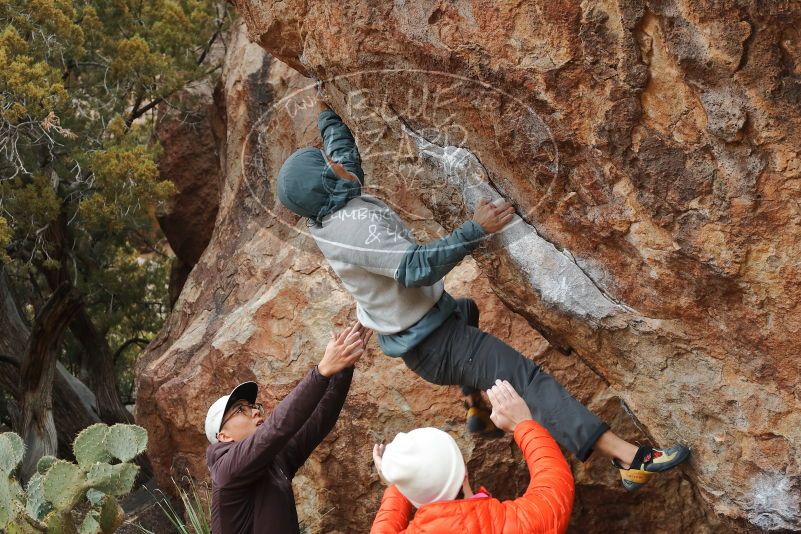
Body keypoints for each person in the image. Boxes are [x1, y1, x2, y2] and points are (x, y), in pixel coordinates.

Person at [276, 95, 689, 489]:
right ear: (325, 181)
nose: (335, 162)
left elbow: (344, 158)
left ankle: (477, 406)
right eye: (327, 163)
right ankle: (629, 459)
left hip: (432, 331)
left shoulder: (331, 199)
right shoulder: (352, 230)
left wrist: (328, 114)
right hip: (436, 344)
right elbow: (417, 268)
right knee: (526, 382)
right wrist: (475, 229)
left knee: (467, 309)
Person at [204, 322, 371, 534]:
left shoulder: (273, 461)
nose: (255, 412)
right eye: (240, 410)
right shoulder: (226, 471)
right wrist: (321, 372)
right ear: (223, 436)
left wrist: (343, 369)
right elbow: (276, 429)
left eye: (253, 407)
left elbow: (317, 423)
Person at [370, 380, 574, 533]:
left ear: (411, 496)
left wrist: (398, 482)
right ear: (464, 471)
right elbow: (554, 487)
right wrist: (523, 423)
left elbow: (384, 527)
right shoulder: (514, 525)